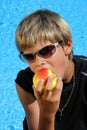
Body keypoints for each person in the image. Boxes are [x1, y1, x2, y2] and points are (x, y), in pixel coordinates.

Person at [15, 9, 87, 130]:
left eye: (46, 50)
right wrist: (46, 115)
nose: (39, 62)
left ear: (67, 45)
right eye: (29, 56)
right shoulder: (26, 83)